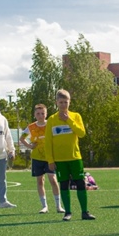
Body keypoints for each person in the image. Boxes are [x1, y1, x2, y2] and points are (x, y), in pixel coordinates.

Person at [43, 89, 95, 221]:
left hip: (75, 157)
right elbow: (48, 142)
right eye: (60, 102)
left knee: (81, 184)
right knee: (64, 185)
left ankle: (85, 212)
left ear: (69, 102)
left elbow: (82, 133)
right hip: (60, 160)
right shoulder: (52, 120)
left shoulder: (76, 116)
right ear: (56, 103)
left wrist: (69, 120)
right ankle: (67, 212)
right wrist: (50, 160)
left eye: (65, 102)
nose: (63, 105)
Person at [20, 103, 62, 213]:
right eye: (38, 113)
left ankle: (58, 205)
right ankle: (44, 206)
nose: (40, 115)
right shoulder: (31, 127)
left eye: (42, 113)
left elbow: (58, 137)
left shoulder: (51, 124)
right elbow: (22, 138)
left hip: (50, 157)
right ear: (35, 115)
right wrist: (29, 146)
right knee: (40, 181)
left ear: (46, 114)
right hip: (37, 158)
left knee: (53, 179)